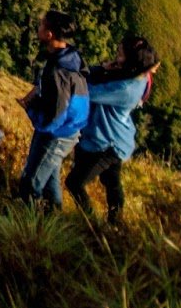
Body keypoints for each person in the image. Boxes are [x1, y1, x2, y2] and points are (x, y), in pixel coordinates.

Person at [66, 35, 160, 224]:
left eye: (120, 54)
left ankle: (91, 223)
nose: (116, 56)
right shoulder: (138, 78)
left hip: (105, 142)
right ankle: (115, 223)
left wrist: (99, 69)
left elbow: (88, 91)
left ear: (131, 61)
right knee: (111, 181)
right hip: (119, 140)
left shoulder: (124, 88)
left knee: (74, 183)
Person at [17, 10, 89, 210]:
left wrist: (31, 108)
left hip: (57, 133)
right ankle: (53, 217)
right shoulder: (71, 57)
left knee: (30, 184)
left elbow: (55, 115)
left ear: (49, 34)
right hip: (69, 129)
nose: (38, 27)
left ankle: (30, 230)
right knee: (50, 179)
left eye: (41, 25)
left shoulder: (57, 70)